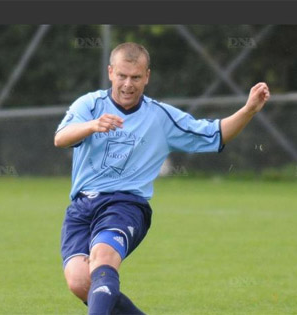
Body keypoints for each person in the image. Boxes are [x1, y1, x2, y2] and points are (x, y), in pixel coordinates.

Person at [54, 42, 270, 315]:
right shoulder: (89, 104)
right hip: (82, 207)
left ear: (147, 77)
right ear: (110, 72)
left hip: (125, 204)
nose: (128, 84)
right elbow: (60, 138)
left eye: (135, 77)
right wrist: (92, 126)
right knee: (79, 282)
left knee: (102, 258)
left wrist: (248, 110)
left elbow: (216, 134)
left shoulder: (160, 117)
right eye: (122, 75)